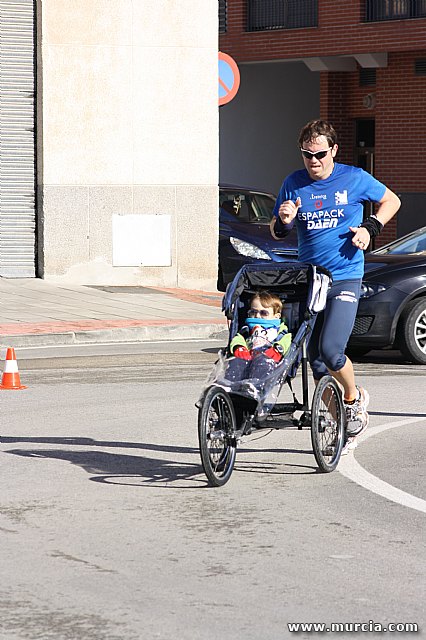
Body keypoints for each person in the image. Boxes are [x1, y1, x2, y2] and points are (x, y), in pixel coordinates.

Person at [270, 120, 401, 450]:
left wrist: (371, 227)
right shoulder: (293, 183)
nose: (313, 161)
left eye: (320, 154)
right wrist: (283, 222)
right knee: (314, 358)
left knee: (331, 350)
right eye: (306, 155)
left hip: (344, 276)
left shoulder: (354, 178)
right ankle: (339, 421)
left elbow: (392, 201)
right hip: (309, 279)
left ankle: (354, 399)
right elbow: (276, 229)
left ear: (334, 151)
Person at [225, 291, 292, 385]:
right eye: (253, 312)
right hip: (247, 356)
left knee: (262, 363)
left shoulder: (279, 330)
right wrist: (239, 346)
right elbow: (239, 338)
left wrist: (278, 349)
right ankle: (228, 386)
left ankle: (254, 387)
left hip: (269, 358)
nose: (257, 316)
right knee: (236, 362)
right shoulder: (247, 329)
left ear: (276, 316)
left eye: (264, 313)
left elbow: (286, 340)